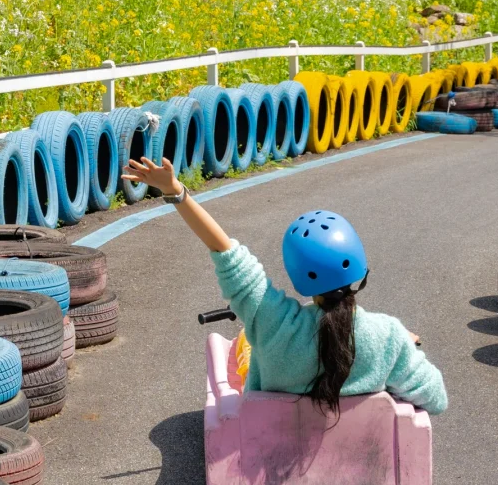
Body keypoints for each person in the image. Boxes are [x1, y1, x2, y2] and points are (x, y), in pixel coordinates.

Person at [122, 155, 447, 416]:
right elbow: (436, 399)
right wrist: (400, 345)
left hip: (267, 453)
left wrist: (176, 191)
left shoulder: (273, 324)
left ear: (297, 274)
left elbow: (225, 251)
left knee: (244, 350)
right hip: (361, 458)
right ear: (359, 269)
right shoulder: (387, 337)